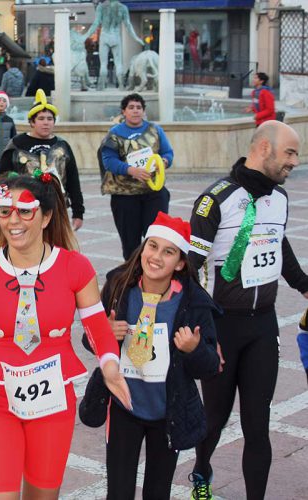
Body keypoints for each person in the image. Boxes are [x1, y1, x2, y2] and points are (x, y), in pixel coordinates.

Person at [0, 174, 131, 498]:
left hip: (52, 398)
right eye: (4, 211)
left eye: (25, 211)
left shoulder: (75, 267)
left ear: (46, 216)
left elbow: (97, 327)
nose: (14, 220)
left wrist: (110, 365)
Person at [187, 121, 308, 500]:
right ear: (262, 149)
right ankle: (202, 471)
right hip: (222, 327)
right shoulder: (215, 200)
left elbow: (278, 244)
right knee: (215, 418)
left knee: (258, 424)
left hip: (262, 327)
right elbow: (190, 268)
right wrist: (201, 331)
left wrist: (304, 285)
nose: (295, 162)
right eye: (289, 153)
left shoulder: (280, 198)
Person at [91, 212, 219, 499]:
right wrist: (104, 334)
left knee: (158, 492)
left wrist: (194, 349)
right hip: (124, 406)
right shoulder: (118, 286)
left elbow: (210, 366)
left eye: (169, 251)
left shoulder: (194, 303)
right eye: (153, 246)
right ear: (143, 247)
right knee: (119, 492)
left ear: (181, 263)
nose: (157, 257)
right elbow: (91, 340)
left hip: (167, 412)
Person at [101, 93, 174, 259]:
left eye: (139, 107)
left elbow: (168, 152)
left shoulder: (155, 130)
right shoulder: (115, 133)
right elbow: (108, 161)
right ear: (123, 112)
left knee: (156, 237)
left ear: (144, 111)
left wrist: (163, 161)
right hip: (125, 196)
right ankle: (132, 277)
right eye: (131, 108)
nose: (135, 111)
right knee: (130, 243)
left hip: (154, 194)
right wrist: (131, 170)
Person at [0, 89, 84, 231]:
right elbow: (2, 178)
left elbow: (73, 180)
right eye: (41, 119)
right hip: (24, 207)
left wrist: (78, 211)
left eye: (49, 119)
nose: (46, 123)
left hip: (57, 207)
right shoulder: (17, 144)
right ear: (32, 122)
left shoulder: (62, 146)